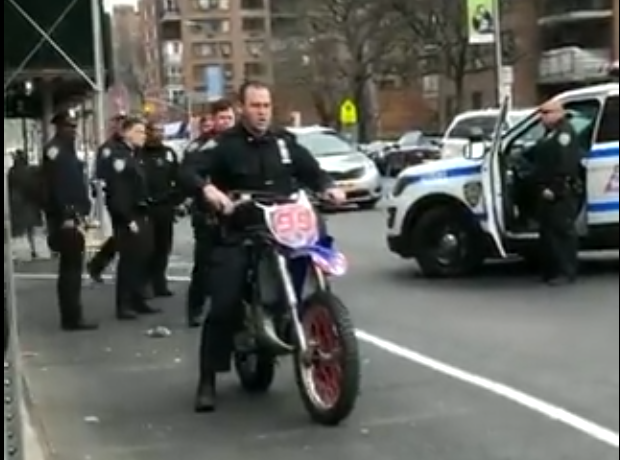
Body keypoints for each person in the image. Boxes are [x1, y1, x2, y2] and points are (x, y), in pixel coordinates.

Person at [180, 81, 345, 412]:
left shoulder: (284, 143)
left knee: (318, 262)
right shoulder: (224, 145)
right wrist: (207, 191)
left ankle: (313, 320)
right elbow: (189, 171)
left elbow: (311, 171)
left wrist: (328, 187)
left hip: (289, 230)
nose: (262, 112)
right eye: (255, 105)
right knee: (224, 302)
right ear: (242, 108)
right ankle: (207, 379)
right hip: (245, 232)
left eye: (266, 105)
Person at [40, 113, 97, 330]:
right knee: (70, 271)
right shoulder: (55, 151)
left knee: (73, 268)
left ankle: (73, 315)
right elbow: (56, 187)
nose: (73, 131)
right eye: (68, 127)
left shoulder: (66, 150)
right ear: (58, 127)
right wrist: (67, 215)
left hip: (72, 216)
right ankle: (72, 317)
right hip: (65, 219)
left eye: (74, 126)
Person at [185, 99, 236, 327]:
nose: (226, 122)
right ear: (213, 120)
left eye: (229, 118)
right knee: (204, 265)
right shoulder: (202, 147)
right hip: (208, 215)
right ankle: (195, 308)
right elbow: (188, 175)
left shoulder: (240, 142)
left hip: (237, 213)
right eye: (222, 118)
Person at [105, 116, 159, 319]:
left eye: (144, 132)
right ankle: (125, 303)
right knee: (129, 261)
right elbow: (119, 193)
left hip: (141, 212)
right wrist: (128, 219)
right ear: (126, 133)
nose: (143, 136)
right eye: (138, 132)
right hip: (129, 216)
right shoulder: (119, 158)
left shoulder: (133, 155)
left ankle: (138, 299)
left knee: (142, 258)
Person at [526, 100, 583, 285]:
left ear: (558, 113)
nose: (542, 117)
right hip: (547, 191)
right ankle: (551, 271)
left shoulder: (564, 134)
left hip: (560, 192)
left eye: (546, 113)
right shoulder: (551, 133)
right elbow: (538, 154)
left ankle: (566, 272)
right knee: (549, 233)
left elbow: (566, 165)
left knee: (562, 233)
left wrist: (555, 189)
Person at [139, 122, 181, 296]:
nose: (158, 134)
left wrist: (176, 200)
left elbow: (178, 178)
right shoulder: (138, 154)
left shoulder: (169, 154)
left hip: (164, 208)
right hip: (146, 209)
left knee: (163, 247)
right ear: (147, 132)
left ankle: (159, 283)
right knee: (147, 248)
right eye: (154, 131)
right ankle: (145, 284)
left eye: (160, 131)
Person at [87, 114, 127, 282]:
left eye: (124, 124)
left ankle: (97, 265)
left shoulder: (129, 146)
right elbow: (100, 174)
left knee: (122, 236)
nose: (121, 128)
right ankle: (97, 265)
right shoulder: (107, 148)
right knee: (122, 235)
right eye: (118, 124)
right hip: (116, 196)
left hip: (130, 195)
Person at [8, 150, 43, 259]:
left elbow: (9, 187)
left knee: (14, 230)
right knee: (30, 229)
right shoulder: (31, 170)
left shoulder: (12, 172)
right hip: (30, 202)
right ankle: (33, 249)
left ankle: (12, 252)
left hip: (17, 203)